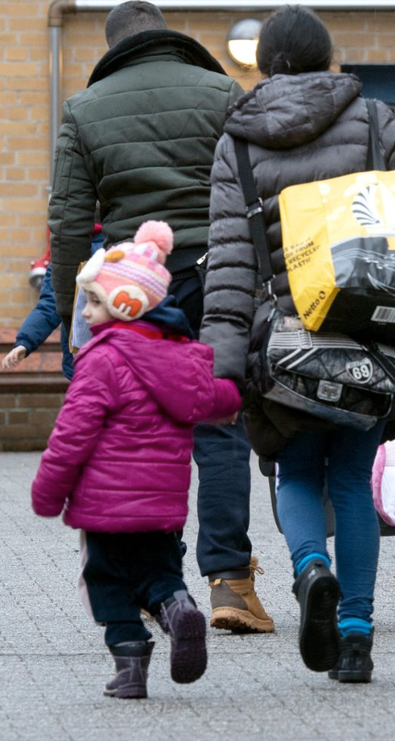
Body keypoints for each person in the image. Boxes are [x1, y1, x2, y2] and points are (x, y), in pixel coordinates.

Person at [199, 5, 395, 683]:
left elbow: (228, 264)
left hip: (282, 345)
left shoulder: (237, 144)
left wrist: (221, 366)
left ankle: (311, 573)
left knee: (296, 471)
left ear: (262, 64)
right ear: (330, 58)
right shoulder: (374, 119)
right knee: (355, 486)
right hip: (368, 335)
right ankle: (357, 635)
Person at [47, 0, 272, 632]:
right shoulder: (221, 90)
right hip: (219, 275)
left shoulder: (83, 109)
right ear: (169, 39)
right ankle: (230, 583)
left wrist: (75, 312)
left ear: (113, 47)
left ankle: (157, 584)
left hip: (133, 287)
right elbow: (258, 192)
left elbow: (67, 221)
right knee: (221, 424)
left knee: (140, 431)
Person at [31, 222, 242, 699]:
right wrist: (237, 395)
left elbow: (72, 435)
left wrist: (48, 492)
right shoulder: (183, 358)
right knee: (159, 572)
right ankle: (177, 606)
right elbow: (218, 398)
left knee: (105, 581)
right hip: (161, 509)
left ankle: (129, 669)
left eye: (94, 303)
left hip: (104, 509)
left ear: (125, 304)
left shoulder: (100, 361)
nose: (85, 312)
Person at [3, 227, 104, 380]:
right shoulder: (66, 249)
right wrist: (25, 342)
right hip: (82, 362)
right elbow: (50, 303)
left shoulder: (118, 246)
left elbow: (49, 304)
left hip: (100, 358)